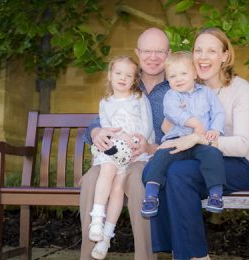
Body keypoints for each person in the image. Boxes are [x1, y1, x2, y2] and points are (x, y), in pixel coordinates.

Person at [145, 27, 249, 259]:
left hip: (235, 164)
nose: (203, 57)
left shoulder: (240, 89)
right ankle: (183, 252)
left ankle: (192, 255)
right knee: (168, 170)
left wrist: (199, 137)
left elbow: (243, 145)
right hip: (195, 159)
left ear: (225, 56)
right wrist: (176, 119)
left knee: (179, 174)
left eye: (212, 51)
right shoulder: (186, 85)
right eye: (198, 50)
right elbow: (167, 127)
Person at [79, 27, 170, 260]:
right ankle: (90, 255)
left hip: (149, 158)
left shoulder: (176, 86)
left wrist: (150, 147)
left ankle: (145, 257)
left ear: (168, 54)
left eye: (159, 51)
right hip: (115, 155)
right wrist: (97, 131)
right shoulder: (124, 80)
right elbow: (96, 124)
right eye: (147, 51)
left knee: (141, 183)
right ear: (138, 53)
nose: (152, 56)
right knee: (91, 179)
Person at [141, 51, 226, 219]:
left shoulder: (207, 93)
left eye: (183, 74)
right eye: (172, 76)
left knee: (213, 154)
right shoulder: (170, 95)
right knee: (160, 156)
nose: (178, 79)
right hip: (176, 140)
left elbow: (218, 112)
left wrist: (215, 130)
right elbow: (172, 113)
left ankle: (215, 194)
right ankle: (151, 195)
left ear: (195, 73)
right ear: (167, 79)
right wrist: (194, 123)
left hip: (200, 141)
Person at [88, 55, 155, 259]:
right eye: (118, 73)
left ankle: (106, 237)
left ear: (134, 79)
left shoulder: (139, 98)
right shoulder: (105, 102)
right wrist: (118, 137)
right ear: (109, 75)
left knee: (118, 189)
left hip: (133, 152)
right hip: (113, 150)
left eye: (128, 75)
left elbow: (147, 125)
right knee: (106, 173)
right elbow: (106, 127)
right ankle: (97, 219)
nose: (122, 78)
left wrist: (138, 144)